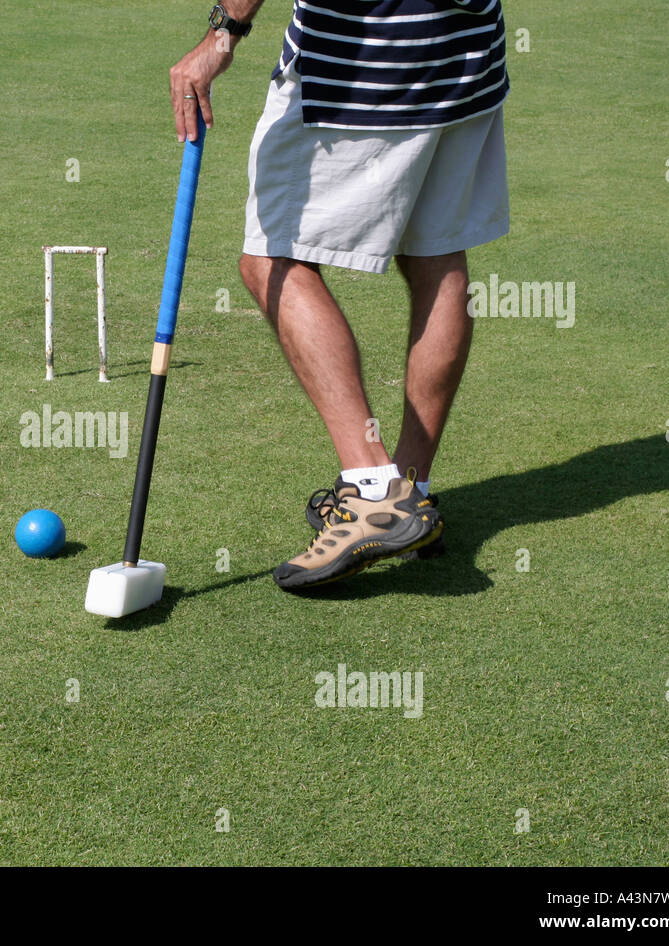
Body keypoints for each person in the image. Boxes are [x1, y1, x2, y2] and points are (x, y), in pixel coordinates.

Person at [169, 1, 509, 590]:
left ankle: (374, 491)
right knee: (435, 254)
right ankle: (410, 494)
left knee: (272, 259)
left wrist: (224, 32)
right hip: (466, 54)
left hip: (360, 64)